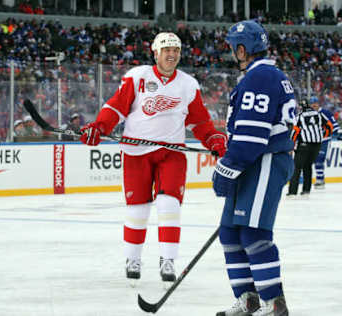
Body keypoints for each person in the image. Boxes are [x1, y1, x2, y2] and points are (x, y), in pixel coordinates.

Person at [79, 32, 227, 287]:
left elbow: (199, 120)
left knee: (170, 205)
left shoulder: (188, 84)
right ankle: (132, 259)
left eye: (176, 51)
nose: (172, 55)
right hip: (136, 152)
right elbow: (115, 107)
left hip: (172, 153)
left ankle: (168, 260)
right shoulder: (138, 77)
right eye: (166, 50)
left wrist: (212, 138)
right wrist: (100, 127)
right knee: (138, 208)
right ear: (155, 53)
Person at [213, 20, 297, 316]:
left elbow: (251, 134)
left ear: (242, 47)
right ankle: (248, 298)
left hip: (265, 160)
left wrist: (227, 166)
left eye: (233, 47)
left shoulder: (260, 77)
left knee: (253, 233)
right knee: (230, 232)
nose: (232, 53)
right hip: (254, 161)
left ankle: (273, 303)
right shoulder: (260, 75)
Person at [287, 99, 333, 198]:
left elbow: (295, 132)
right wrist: (323, 136)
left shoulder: (299, 117)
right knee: (307, 167)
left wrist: (291, 146)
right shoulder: (318, 115)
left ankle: (292, 192)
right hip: (317, 145)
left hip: (304, 145)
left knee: (296, 168)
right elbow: (329, 126)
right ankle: (306, 190)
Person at [310, 97, 342, 189]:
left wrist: (339, 132)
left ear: (318, 104)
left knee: (319, 159)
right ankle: (320, 179)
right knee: (314, 159)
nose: (314, 105)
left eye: (315, 103)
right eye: (312, 104)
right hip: (313, 141)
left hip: (324, 140)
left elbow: (334, 124)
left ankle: (320, 180)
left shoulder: (326, 113)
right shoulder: (308, 114)